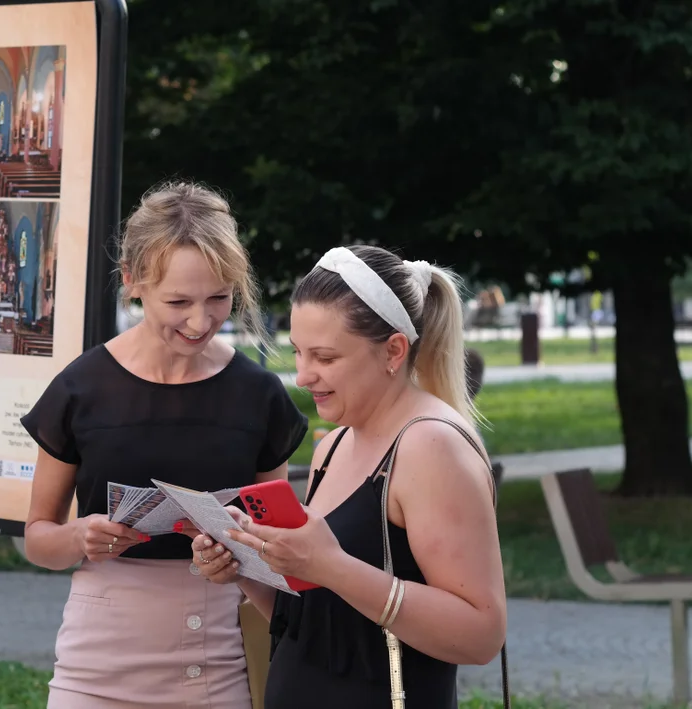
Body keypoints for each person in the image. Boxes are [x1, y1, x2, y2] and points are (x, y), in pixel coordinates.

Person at [20, 181, 309, 708]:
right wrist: (80, 536)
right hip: (95, 667)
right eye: (179, 301)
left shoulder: (258, 395)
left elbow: (283, 552)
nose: (201, 321)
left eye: (219, 298)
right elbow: (38, 538)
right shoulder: (80, 388)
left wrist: (241, 553)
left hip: (219, 664)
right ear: (132, 281)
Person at [191, 245, 507, 708]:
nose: (302, 376)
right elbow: (318, 621)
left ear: (393, 350)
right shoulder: (333, 446)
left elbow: (481, 634)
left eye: (325, 357)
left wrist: (330, 566)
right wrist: (247, 566)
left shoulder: (429, 446)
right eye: (299, 353)